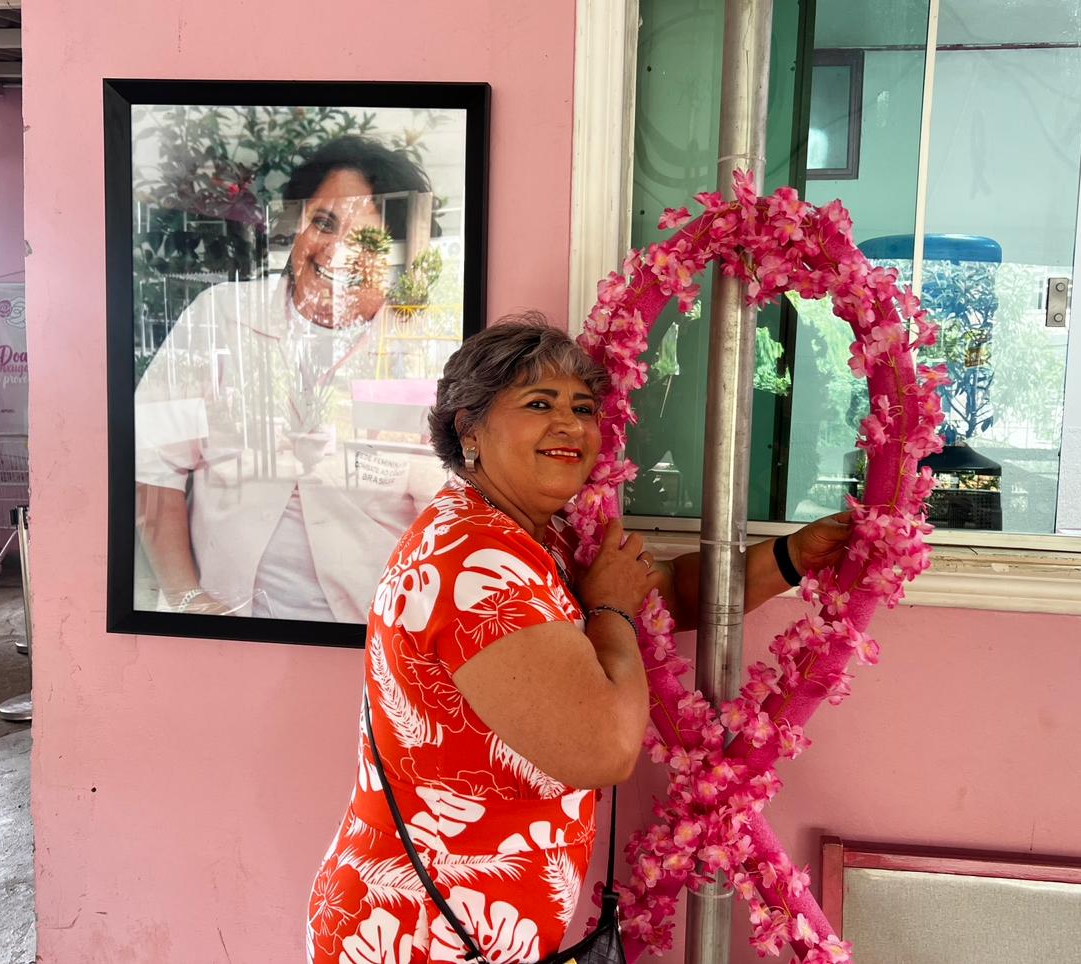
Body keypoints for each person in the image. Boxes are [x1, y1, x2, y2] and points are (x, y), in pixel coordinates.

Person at [306, 317, 852, 964]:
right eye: (540, 404)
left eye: (583, 408)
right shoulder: (474, 561)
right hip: (416, 936)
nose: (571, 425)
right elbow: (603, 747)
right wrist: (611, 609)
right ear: (468, 428)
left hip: (471, 929)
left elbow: (662, 595)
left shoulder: (535, 534)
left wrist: (795, 555)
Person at [134, 136, 447, 622]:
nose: (336, 251)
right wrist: (187, 599)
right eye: (324, 222)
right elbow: (155, 467)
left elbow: (445, 512)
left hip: (374, 639)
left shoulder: (426, 349)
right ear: (294, 225)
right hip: (225, 625)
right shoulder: (218, 317)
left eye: (367, 240)